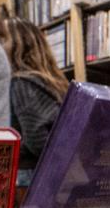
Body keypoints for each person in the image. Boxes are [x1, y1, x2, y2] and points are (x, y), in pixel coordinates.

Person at [4, 16, 69, 183]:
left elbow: (36, 138)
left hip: (31, 174)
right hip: (56, 170)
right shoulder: (56, 83)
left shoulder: (21, 83)